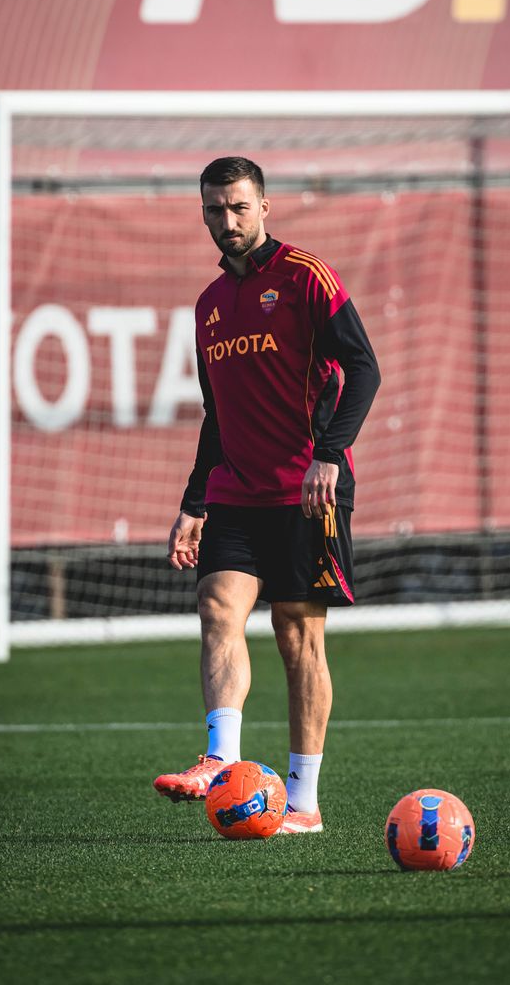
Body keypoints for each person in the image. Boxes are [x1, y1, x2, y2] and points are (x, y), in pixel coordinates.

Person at [153, 156, 380, 833]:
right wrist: (195, 502)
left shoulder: (307, 277)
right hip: (235, 494)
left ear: (264, 207)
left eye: (238, 208)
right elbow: (215, 414)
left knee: (296, 637)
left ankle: (303, 803)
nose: (226, 221)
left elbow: (363, 369)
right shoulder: (208, 306)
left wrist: (329, 455)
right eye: (214, 211)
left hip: (308, 494)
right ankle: (221, 760)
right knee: (217, 605)